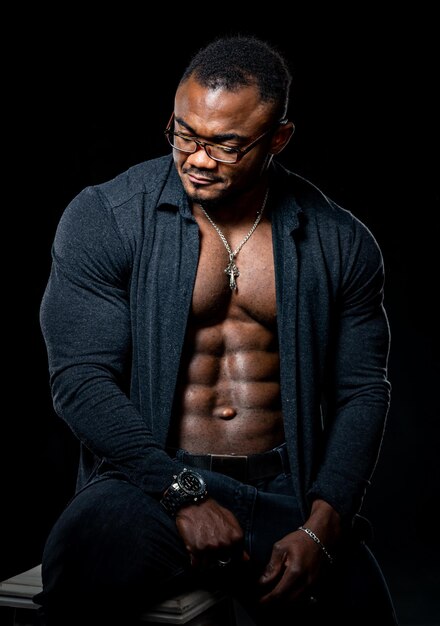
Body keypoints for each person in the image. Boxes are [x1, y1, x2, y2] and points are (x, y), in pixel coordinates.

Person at [35, 34, 398, 625]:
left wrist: (323, 523)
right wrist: (179, 491)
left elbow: (362, 390)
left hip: (287, 487)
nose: (198, 159)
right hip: (147, 481)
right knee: (81, 562)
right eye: (184, 134)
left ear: (277, 139)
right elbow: (80, 379)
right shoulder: (107, 216)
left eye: (226, 145)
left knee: (363, 613)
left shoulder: (338, 240)